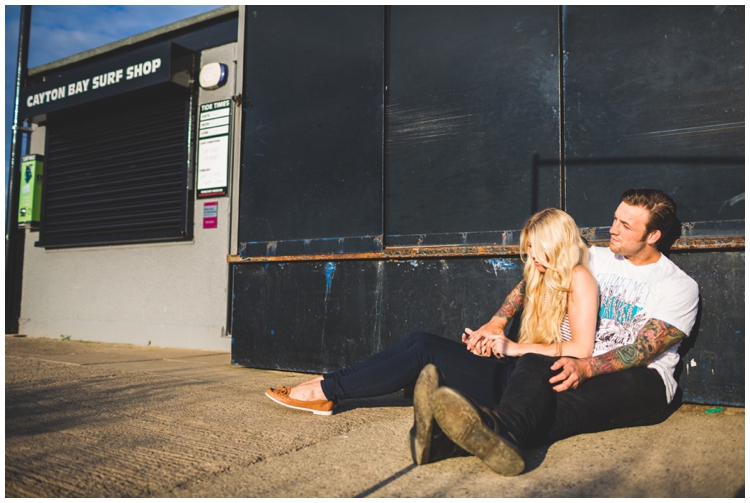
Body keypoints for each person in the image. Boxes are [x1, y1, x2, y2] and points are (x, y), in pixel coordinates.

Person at [264, 208, 599, 466]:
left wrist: (513, 347)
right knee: (419, 338)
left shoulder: (579, 277)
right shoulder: (538, 275)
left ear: (557, 246)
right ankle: (328, 384)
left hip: (526, 386)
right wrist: (486, 334)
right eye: (529, 249)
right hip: (514, 367)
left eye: (539, 250)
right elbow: (502, 315)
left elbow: (582, 348)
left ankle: (327, 391)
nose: (533, 258)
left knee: (423, 351)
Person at [421, 188, 700, 476]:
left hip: (643, 380)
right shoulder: (596, 257)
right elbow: (532, 280)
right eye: (615, 219)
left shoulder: (678, 285)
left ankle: (473, 435)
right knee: (536, 363)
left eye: (625, 226)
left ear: (653, 235)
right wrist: (498, 320)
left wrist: (586, 367)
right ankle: (486, 434)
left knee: (562, 406)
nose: (613, 229)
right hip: (579, 362)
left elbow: (643, 350)